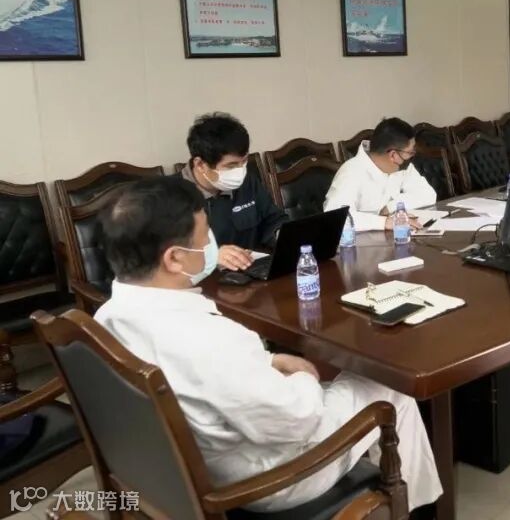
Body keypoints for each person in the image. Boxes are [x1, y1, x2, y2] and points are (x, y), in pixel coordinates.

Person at [94, 177, 442, 512]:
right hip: (266, 479)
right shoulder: (208, 339)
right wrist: (303, 375)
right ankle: (410, 508)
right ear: (174, 258)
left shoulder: (106, 318)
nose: (211, 242)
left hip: (181, 466)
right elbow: (299, 420)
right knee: (390, 389)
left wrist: (270, 363)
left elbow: (215, 379)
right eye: (205, 234)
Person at [179, 112, 287, 272]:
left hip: (253, 273)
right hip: (204, 280)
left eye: (244, 161)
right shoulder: (169, 197)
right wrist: (212, 257)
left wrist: (281, 234)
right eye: (231, 165)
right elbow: (163, 258)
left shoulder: (247, 182)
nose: (239, 171)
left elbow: (272, 219)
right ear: (200, 164)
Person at [323, 117, 436, 231]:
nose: (412, 155)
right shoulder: (351, 172)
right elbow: (336, 218)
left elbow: (428, 195)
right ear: (393, 155)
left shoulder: (402, 166)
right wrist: (384, 222)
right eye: (410, 152)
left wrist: (390, 207)